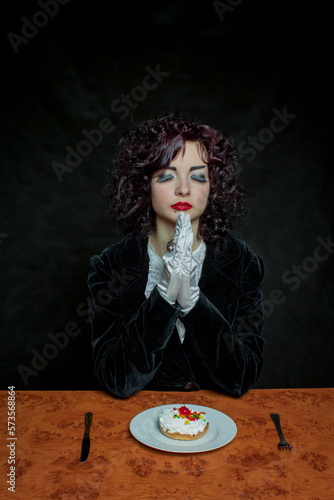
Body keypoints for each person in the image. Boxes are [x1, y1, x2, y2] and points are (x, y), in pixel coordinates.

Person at [87, 111, 265, 398]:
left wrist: (195, 305)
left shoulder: (243, 263)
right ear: (145, 185)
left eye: (197, 177)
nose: (183, 189)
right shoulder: (110, 266)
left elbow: (242, 377)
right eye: (166, 176)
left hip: (216, 423)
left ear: (213, 187)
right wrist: (163, 299)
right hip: (135, 421)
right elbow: (116, 379)